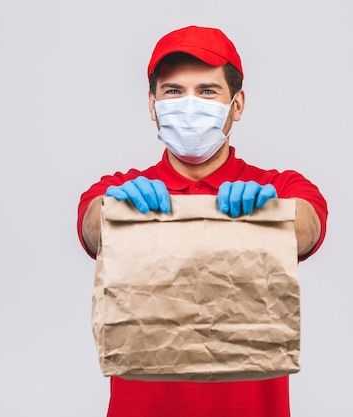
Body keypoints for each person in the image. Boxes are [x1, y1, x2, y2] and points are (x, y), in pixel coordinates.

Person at [76, 25, 328, 417]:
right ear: (152, 104)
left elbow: (308, 228)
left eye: (207, 91)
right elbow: (92, 227)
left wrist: (272, 214)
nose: (189, 104)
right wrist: (112, 211)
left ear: (237, 104)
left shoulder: (279, 186)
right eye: (173, 91)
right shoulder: (121, 188)